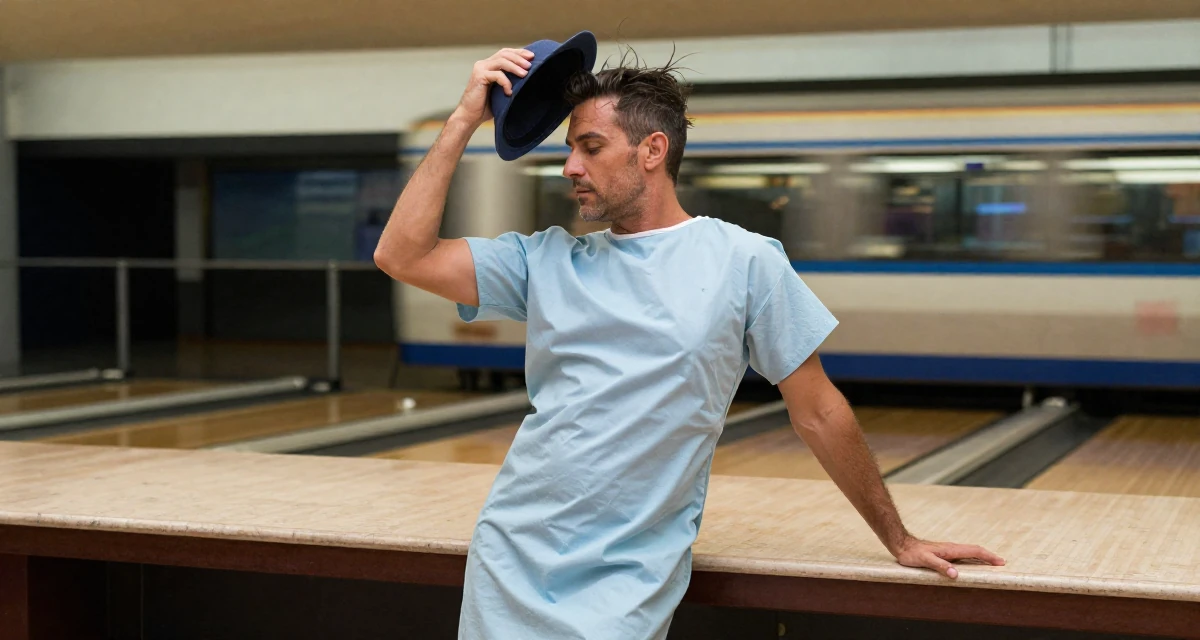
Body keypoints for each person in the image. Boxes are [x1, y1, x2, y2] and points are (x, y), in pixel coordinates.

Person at [374, 47, 1005, 640]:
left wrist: (898, 537)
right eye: (569, 149)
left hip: (630, 576)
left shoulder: (745, 261)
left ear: (652, 150)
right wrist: (462, 120)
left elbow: (818, 410)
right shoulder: (543, 261)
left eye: (591, 148)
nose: (570, 166)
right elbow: (400, 254)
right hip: (511, 559)